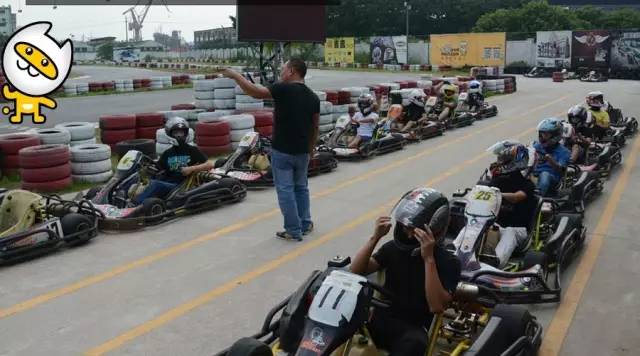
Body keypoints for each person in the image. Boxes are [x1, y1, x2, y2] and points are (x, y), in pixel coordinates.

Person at [218, 58, 319, 241]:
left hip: (283, 151)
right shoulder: (313, 96)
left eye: (283, 68)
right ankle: (305, 223)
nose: (281, 72)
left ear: (292, 71)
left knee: (286, 190)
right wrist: (311, 149)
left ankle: (293, 230)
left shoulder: (282, 88)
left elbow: (255, 92)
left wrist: (235, 76)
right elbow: (315, 126)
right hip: (303, 151)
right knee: (301, 188)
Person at [351, 188, 461, 356]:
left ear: (435, 228)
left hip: (413, 328)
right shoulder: (393, 248)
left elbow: (437, 306)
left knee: (413, 346)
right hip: (380, 320)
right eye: (405, 227)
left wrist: (428, 259)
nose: (409, 235)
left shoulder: (448, 262)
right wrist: (375, 238)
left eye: (415, 229)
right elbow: (356, 271)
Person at [132, 117, 212, 205]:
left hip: (180, 186)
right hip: (167, 182)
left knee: (156, 184)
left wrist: (191, 169)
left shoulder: (192, 150)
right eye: (176, 133)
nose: (178, 135)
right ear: (169, 134)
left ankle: (134, 205)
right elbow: (158, 168)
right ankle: (123, 200)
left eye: (181, 133)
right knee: (137, 180)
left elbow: (210, 164)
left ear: (186, 134)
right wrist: (146, 169)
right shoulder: (168, 153)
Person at [483, 141, 537, 267]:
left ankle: (495, 263)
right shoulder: (497, 181)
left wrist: (497, 194)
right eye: (499, 158)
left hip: (519, 230)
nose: (499, 162)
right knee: (476, 224)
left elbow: (517, 197)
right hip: (498, 225)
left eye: (503, 159)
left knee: (509, 232)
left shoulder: (527, 184)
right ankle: (459, 252)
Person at [533, 118, 571, 197]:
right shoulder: (536, 146)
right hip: (533, 175)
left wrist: (550, 160)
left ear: (555, 136)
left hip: (551, 179)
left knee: (545, 174)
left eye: (545, 135)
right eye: (541, 134)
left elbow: (561, 170)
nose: (541, 137)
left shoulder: (564, 152)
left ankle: (537, 199)